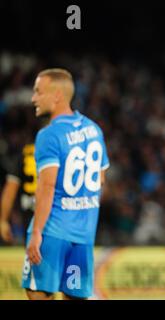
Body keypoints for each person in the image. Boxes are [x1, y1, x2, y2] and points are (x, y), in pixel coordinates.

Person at [22, 68, 109, 300]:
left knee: (37, 293)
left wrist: (37, 232)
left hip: (51, 232)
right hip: (83, 236)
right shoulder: (94, 130)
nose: (33, 99)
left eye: (38, 92)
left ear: (57, 95)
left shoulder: (49, 135)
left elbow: (47, 187)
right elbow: (100, 181)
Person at [0, 141, 37, 244]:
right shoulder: (57, 150)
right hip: (54, 214)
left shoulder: (23, 154)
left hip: (30, 213)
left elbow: (10, 189)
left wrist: (3, 220)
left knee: (32, 256)